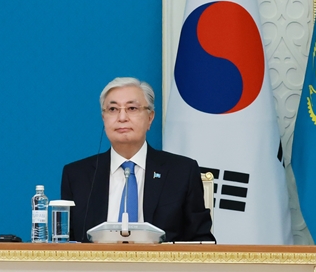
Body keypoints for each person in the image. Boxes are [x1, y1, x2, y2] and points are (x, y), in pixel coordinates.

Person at [60, 77, 214, 242]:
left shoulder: (182, 172)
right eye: (112, 109)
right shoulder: (77, 175)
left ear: (150, 118)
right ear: (103, 118)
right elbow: (66, 242)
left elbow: (202, 241)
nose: (122, 117)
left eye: (132, 108)